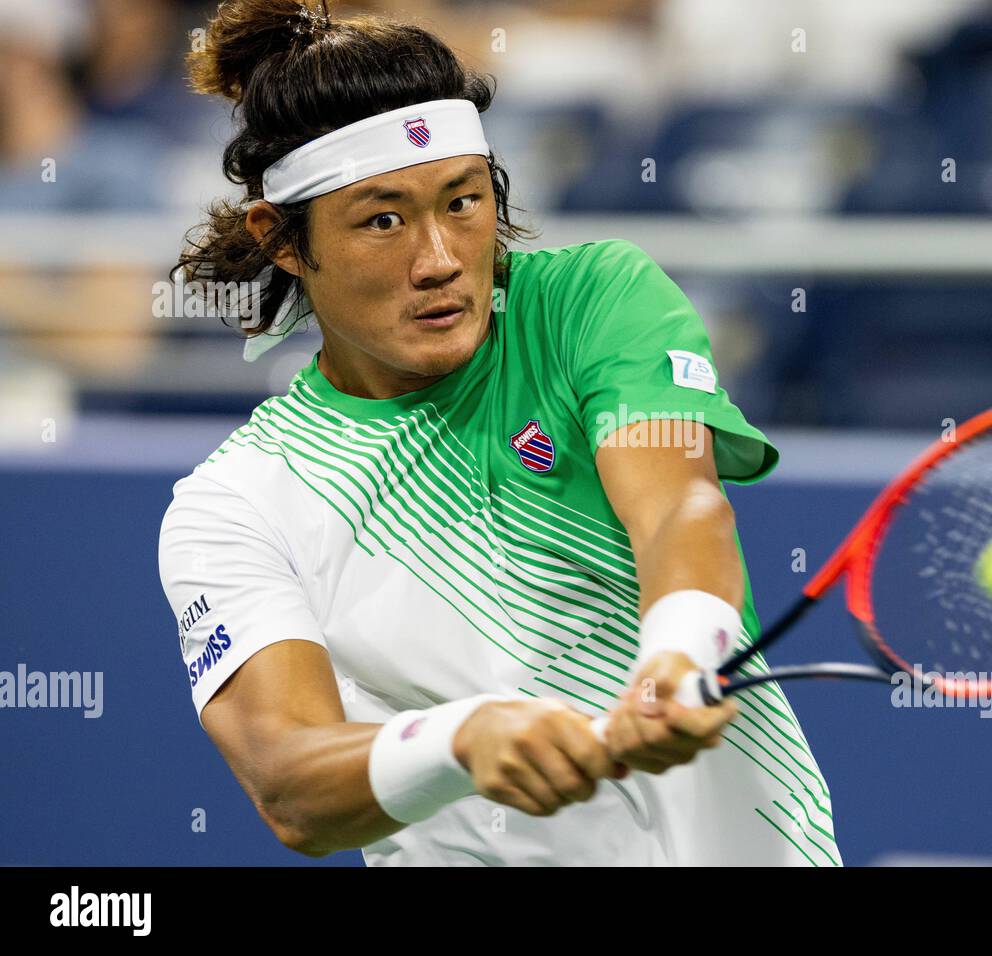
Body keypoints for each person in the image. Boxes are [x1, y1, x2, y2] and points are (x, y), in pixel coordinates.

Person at [158, 0, 839, 866]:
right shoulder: (236, 504)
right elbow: (289, 783)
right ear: (282, 241)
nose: (440, 256)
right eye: (383, 219)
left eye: (463, 201)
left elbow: (681, 509)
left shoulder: (595, 299)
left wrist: (679, 650)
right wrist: (460, 743)